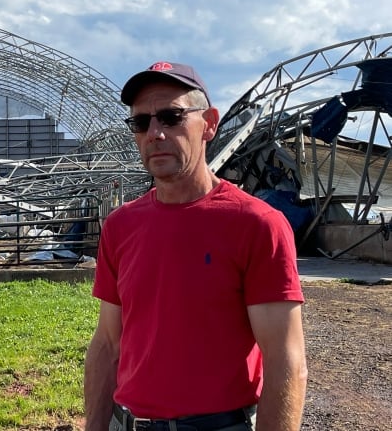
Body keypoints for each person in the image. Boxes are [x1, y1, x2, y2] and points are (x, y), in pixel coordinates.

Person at [83, 61, 308, 431]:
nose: (154, 133)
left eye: (171, 117)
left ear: (210, 123)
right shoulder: (120, 227)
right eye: (141, 123)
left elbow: (286, 361)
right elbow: (108, 343)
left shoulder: (256, 225)